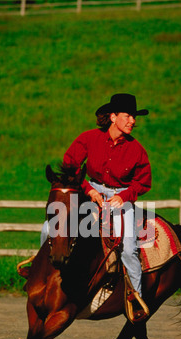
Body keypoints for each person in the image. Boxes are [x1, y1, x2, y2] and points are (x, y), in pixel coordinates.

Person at [61, 93, 152, 317]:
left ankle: (135, 298)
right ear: (113, 117)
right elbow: (69, 164)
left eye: (134, 117)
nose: (133, 121)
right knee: (55, 230)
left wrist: (126, 195)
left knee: (129, 249)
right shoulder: (88, 138)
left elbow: (144, 181)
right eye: (128, 116)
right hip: (91, 192)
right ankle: (41, 272)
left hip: (121, 197)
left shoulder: (137, 149)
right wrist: (88, 189)